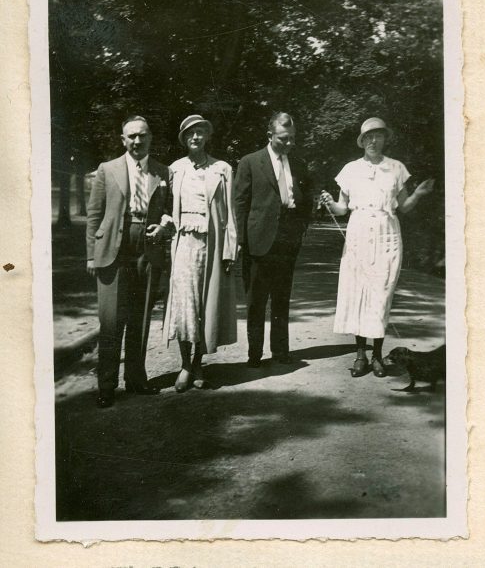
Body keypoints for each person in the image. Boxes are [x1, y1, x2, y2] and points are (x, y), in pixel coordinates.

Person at [320, 117, 434, 378]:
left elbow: (403, 207)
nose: (373, 141)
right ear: (362, 141)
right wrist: (329, 202)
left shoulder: (396, 168)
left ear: (385, 139)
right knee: (358, 293)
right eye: (368, 137)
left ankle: (378, 356)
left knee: (381, 296)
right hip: (358, 232)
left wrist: (418, 194)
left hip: (387, 234)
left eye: (378, 136)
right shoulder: (350, 169)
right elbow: (341, 208)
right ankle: (360, 356)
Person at [86, 116, 174, 408]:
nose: (137, 142)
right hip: (113, 250)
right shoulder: (106, 169)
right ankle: (107, 386)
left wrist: (165, 225)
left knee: (140, 318)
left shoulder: (163, 173)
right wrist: (90, 255)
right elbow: (94, 215)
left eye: (143, 136)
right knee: (111, 321)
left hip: (147, 252)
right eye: (131, 137)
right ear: (123, 139)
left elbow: (171, 211)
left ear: (151, 138)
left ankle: (136, 380)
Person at [163, 115, 238, 392]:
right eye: (190, 133)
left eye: (200, 133)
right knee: (185, 304)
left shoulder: (222, 169)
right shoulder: (174, 170)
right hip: (183, 243)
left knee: (206, 306)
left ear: (207, 137)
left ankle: (198, 363)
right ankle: (185, 364)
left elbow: (230, 213)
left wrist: (230, 249)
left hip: (212, 242)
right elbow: (167, 208)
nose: (196, 137)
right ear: (184, 138)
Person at [234, 112, 313, 367]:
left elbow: (306, 199)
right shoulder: (250, 162)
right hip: (258, 242)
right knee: (256, 301)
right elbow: (240, 202)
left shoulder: (299, 163)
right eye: (283, 139)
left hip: (287, 242)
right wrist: (241, 240)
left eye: (292, 139)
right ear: (270, 136)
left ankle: (280, 351)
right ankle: (254, 354)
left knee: (281, 298)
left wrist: (300, 229)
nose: (289, 144)